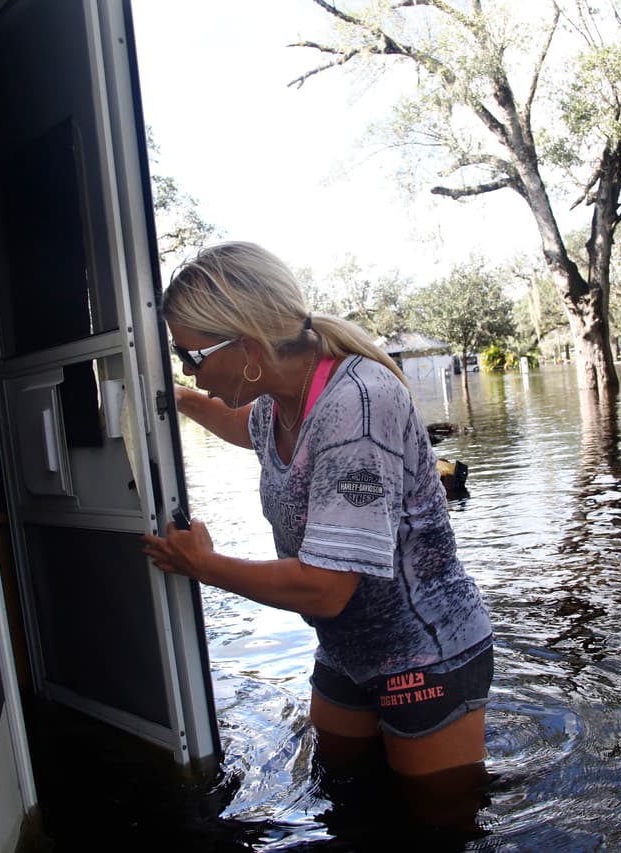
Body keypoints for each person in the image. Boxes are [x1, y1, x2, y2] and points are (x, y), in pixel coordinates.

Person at [140, 242, 494, 830]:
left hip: (424, 652)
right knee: (344, 794)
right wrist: (180, 399)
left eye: (190, 355)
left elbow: (327, 588)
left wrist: (204, 564)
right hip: (348, 647)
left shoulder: (354, 405)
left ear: (249, 348)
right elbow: (241, 426)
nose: (185, 367)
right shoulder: (280, 396)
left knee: (437, 826)